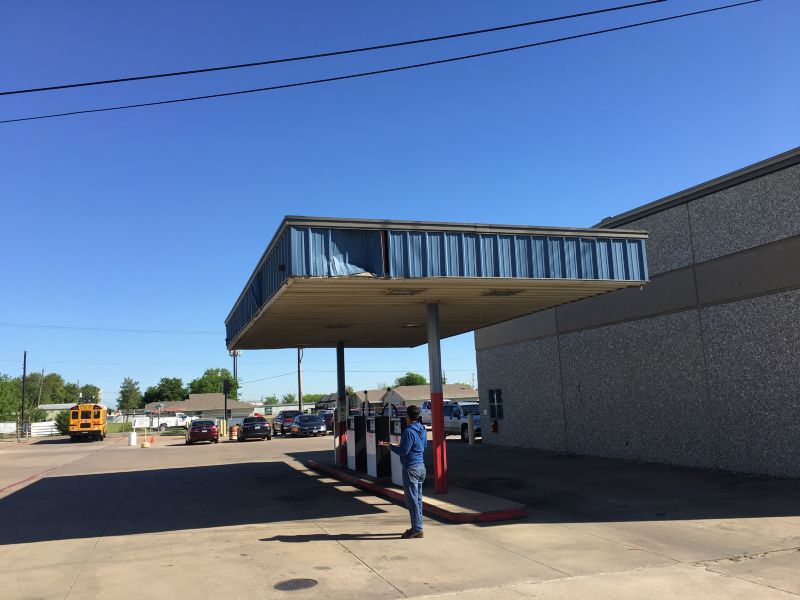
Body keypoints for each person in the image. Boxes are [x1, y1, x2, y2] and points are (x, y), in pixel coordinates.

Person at [379, 404, 427, 539]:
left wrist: (390, 447)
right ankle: (418, 526)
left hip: (410, 468)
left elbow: (403, 451)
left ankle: (417, 529)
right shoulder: (422, 429)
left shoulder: (408, 431)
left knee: (411, 500)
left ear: (407, 416)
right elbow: (423, 445)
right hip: (421, 466)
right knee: (417, 499)